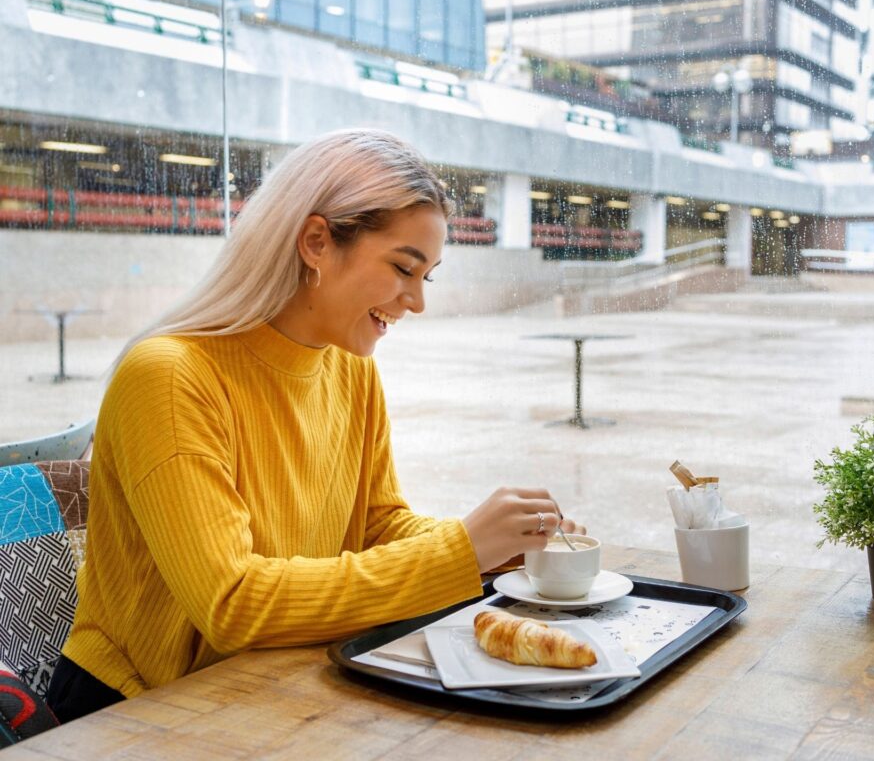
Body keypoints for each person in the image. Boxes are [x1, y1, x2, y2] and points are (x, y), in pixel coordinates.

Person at [46, 129, 584, 723]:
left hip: (266, 687)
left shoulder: (350, 370)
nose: (417, 301)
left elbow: (375, 524)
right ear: (316, 242)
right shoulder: (171, 377)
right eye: (405, 268)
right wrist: (460, 552)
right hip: (138, 708)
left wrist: (494, 549)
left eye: (425, 276)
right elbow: (231, 603)